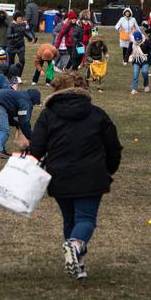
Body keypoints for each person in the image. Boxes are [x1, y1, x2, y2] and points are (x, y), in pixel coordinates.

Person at [29, 72, 122, 280]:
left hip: (59, 175)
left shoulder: (48, 115)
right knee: (85, 218)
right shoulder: (97, 114)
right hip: (91, 174)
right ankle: (76, 245)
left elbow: (37, 148)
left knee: (70, 218)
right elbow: (113, 146)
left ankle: (78, 262)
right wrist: (109, 169)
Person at [0, 87, 41, 159]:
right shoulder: (26, 101)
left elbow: (8, 115)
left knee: (0, 129)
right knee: (4, 130)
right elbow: (24, 122)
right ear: (34, 99)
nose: (34, 105)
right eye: (35, 103)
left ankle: (0, 149)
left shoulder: (20, 96)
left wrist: (16, 124)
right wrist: (31, 137)